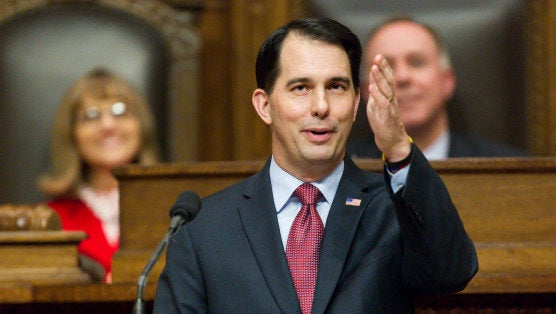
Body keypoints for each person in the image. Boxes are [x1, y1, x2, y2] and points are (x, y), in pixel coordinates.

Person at [154, 17, 478, 313]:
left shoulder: (393, 211)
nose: (321, 106)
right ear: (264, 106)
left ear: (354, 105)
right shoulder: (202, 230)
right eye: (301, 88)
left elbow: (451, 272)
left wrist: (396, 146)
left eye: (336, 87)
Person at [38, 68, 160, 283]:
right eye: (91, 116)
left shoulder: (173, 214)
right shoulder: (50, 221)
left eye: (120, 111)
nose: (108, 125)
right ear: (72, 134)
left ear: (141, 127)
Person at [347, 16, 526, 159]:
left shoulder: (507, 168)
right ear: (365, 89)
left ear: (447, 81)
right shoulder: (339, 170)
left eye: (417, 63)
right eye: (386, 66)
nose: (402, 77)